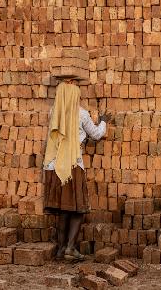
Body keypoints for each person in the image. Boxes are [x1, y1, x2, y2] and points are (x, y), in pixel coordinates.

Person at [43, 79, 111, 260]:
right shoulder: (81, 114)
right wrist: (103, 121)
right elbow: (96, 134)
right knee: (78, 209)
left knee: (63, 209)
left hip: (54, 168)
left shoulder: (53, 112)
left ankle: (60, 248)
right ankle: (70, 248)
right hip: (72, 166)